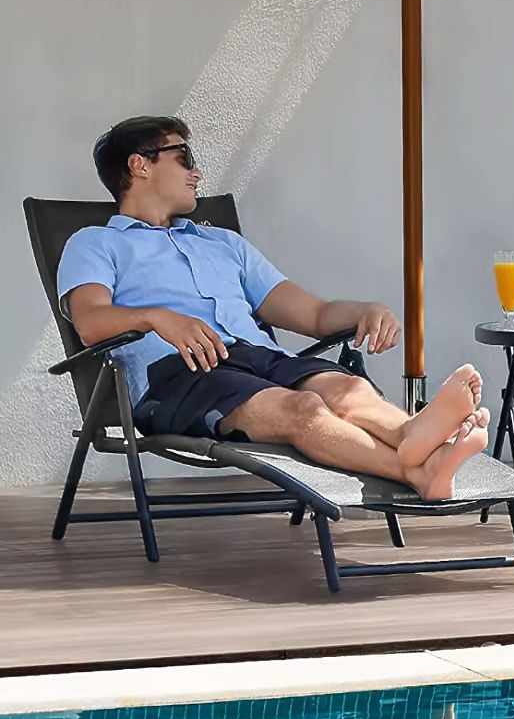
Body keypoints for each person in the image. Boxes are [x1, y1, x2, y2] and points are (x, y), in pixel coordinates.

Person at [58, 115, 488, 499]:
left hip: (260, 358)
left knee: (347, 389)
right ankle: (416, 470)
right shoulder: (95, 243)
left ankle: (412, 436)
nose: (196, 171)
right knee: (303, 409)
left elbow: (314, 315)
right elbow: (91, 322)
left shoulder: (222, 243)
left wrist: (366, 311)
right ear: (140, 165)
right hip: (179, 376)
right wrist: (157, 317)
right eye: (184, 157)